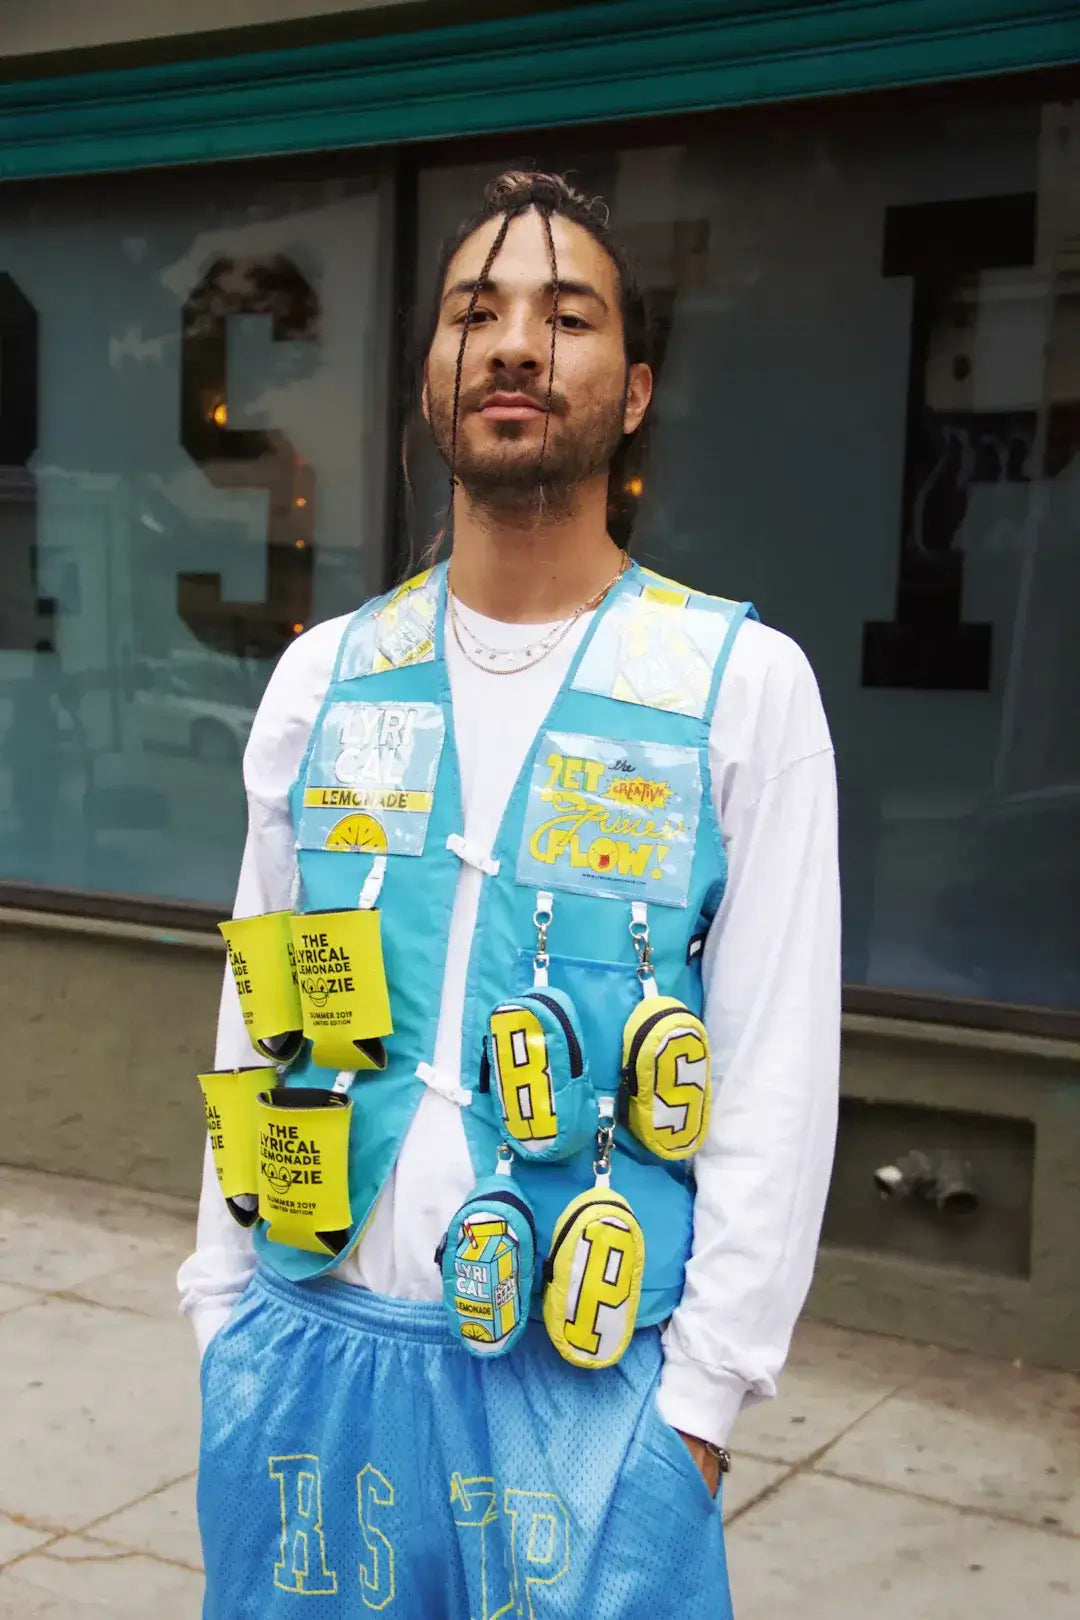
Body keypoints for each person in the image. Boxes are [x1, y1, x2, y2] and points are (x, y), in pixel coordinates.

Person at [179, 169, 840, 1619]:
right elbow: (257, 1014)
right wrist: (223, 1315)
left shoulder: (740, 691)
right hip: (303, 1358)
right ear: (433, 377)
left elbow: (778, 1077)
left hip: (585, 1402)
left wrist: (700, 1417)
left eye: (569, 313)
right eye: (477, 310)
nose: (518, 342)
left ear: (638, 386)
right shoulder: (325, 677)